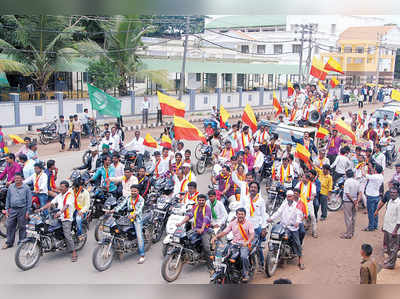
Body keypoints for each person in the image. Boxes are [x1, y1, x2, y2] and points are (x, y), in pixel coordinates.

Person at [38, 180, 77, 262]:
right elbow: (51, 203)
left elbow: (66, 206)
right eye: (60, 186)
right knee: (46, 227)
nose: (61, 188)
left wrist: (60, 212)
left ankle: (73, 252)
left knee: (67, 235)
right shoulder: (59, 195)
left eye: (63, 187)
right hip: (57, 217)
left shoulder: (69, 195)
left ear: (67, 188)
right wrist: (41, 208)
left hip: (66, 218)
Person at [212, 208, 255, 282]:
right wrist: (216, 237)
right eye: (239, 214)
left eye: (242, 214)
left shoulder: (249, 223)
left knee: (243, 256)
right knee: (223, 254)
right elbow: (225, 232)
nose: (240, 216)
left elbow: (252, 234)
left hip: (244, 244)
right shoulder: (233, 223)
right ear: (236, 214)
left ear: (245, 215)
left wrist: (248, 241)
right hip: (234, 243)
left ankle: (246, 273)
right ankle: (220, 270)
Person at [107, 185, 146, 263]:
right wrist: (114, 210)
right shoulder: (128, 198)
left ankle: (142, 255)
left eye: (135, 191)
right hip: (127, 217)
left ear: (138, 191)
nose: (133, 192)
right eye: (132, 191)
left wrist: (134, 214)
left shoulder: (141, 199)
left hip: (137, 219)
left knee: (139, 236)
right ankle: (119, 248)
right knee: (116, 230)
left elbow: (139, 209)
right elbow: (121, 205)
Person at [268, 190, 305, 270]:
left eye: (290, 196)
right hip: (283, 226)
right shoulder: (284, 204)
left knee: (297, 243)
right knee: (275, 236)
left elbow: (299, 214)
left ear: (293, 197)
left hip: (293, 228)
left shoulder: (297, 205)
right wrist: (271, 218)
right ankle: (276, 252)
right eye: (288, 196)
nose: (289, 198)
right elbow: (278, 212)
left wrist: (297, 222)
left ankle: (300, 260)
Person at [177, 194, 213, 271]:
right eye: (199, 200)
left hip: (205, 230)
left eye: (203, 200)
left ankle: (211, 267)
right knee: (184, 239)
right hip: (195, 229)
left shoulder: (207, 209)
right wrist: (181, 223)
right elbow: (189, 215)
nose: (201, 201)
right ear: (197, 200)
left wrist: (202, 228)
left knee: (206, 248)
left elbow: (205, 219)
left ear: (205, 201)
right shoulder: (195, 207)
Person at [2, 173, 31, 249]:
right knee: (10, 226)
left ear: (22, 179)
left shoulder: (26, 188)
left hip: (22, 209)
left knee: (22, 226)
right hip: (12, 209)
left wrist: (28, 211)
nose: (17, 180)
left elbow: (29, 201)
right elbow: (8, 198)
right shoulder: (11, 187)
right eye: (15, 178)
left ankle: (22, 242)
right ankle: (9, 242)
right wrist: (6, 209)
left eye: (18, 178)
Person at [243, 182, 267, 271]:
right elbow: (240, 210)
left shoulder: (261, 201)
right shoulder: (245, 199)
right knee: (246, 247)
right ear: (249, 188)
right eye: (251, 187)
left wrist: (264, 228)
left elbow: (264, 215)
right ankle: (251, 264)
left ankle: (261, 264)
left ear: (258, 190)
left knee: (257, 247)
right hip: (245, 228)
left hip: (256, 228)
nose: (253, 189)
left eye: (255, 187)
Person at [381, 188, 400, 269]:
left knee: (393, 248)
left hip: (394, 230)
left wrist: (395, 231)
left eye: (394, 193)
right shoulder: (390, 201)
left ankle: (391, 264)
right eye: (391, 192)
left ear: (397, 194)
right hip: (387, 228)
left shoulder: (398, 204)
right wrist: (384, 226)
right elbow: (388, 215)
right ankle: (389, 259)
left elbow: (399, 219)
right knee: (388, 246)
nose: (392, 194)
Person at [363, 164, 384, 231]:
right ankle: (375, 225)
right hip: (376, 195)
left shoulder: (375, 176)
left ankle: (371, 226)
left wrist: (362, 168)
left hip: (371, 196)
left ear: (376, 170)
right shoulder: (381, 176)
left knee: (370, 212)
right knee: (375, 211)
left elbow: (364, 174)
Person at [341, 170, 359, 239]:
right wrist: (356, 201)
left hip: (348, 201)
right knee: (353, 218)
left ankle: (348, 234)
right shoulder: (356, 182)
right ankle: (352, 232)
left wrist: (353, 201)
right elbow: (359, 192)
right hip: (355, 200)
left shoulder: (347, 182)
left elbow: (347, 194)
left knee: (348, 218)